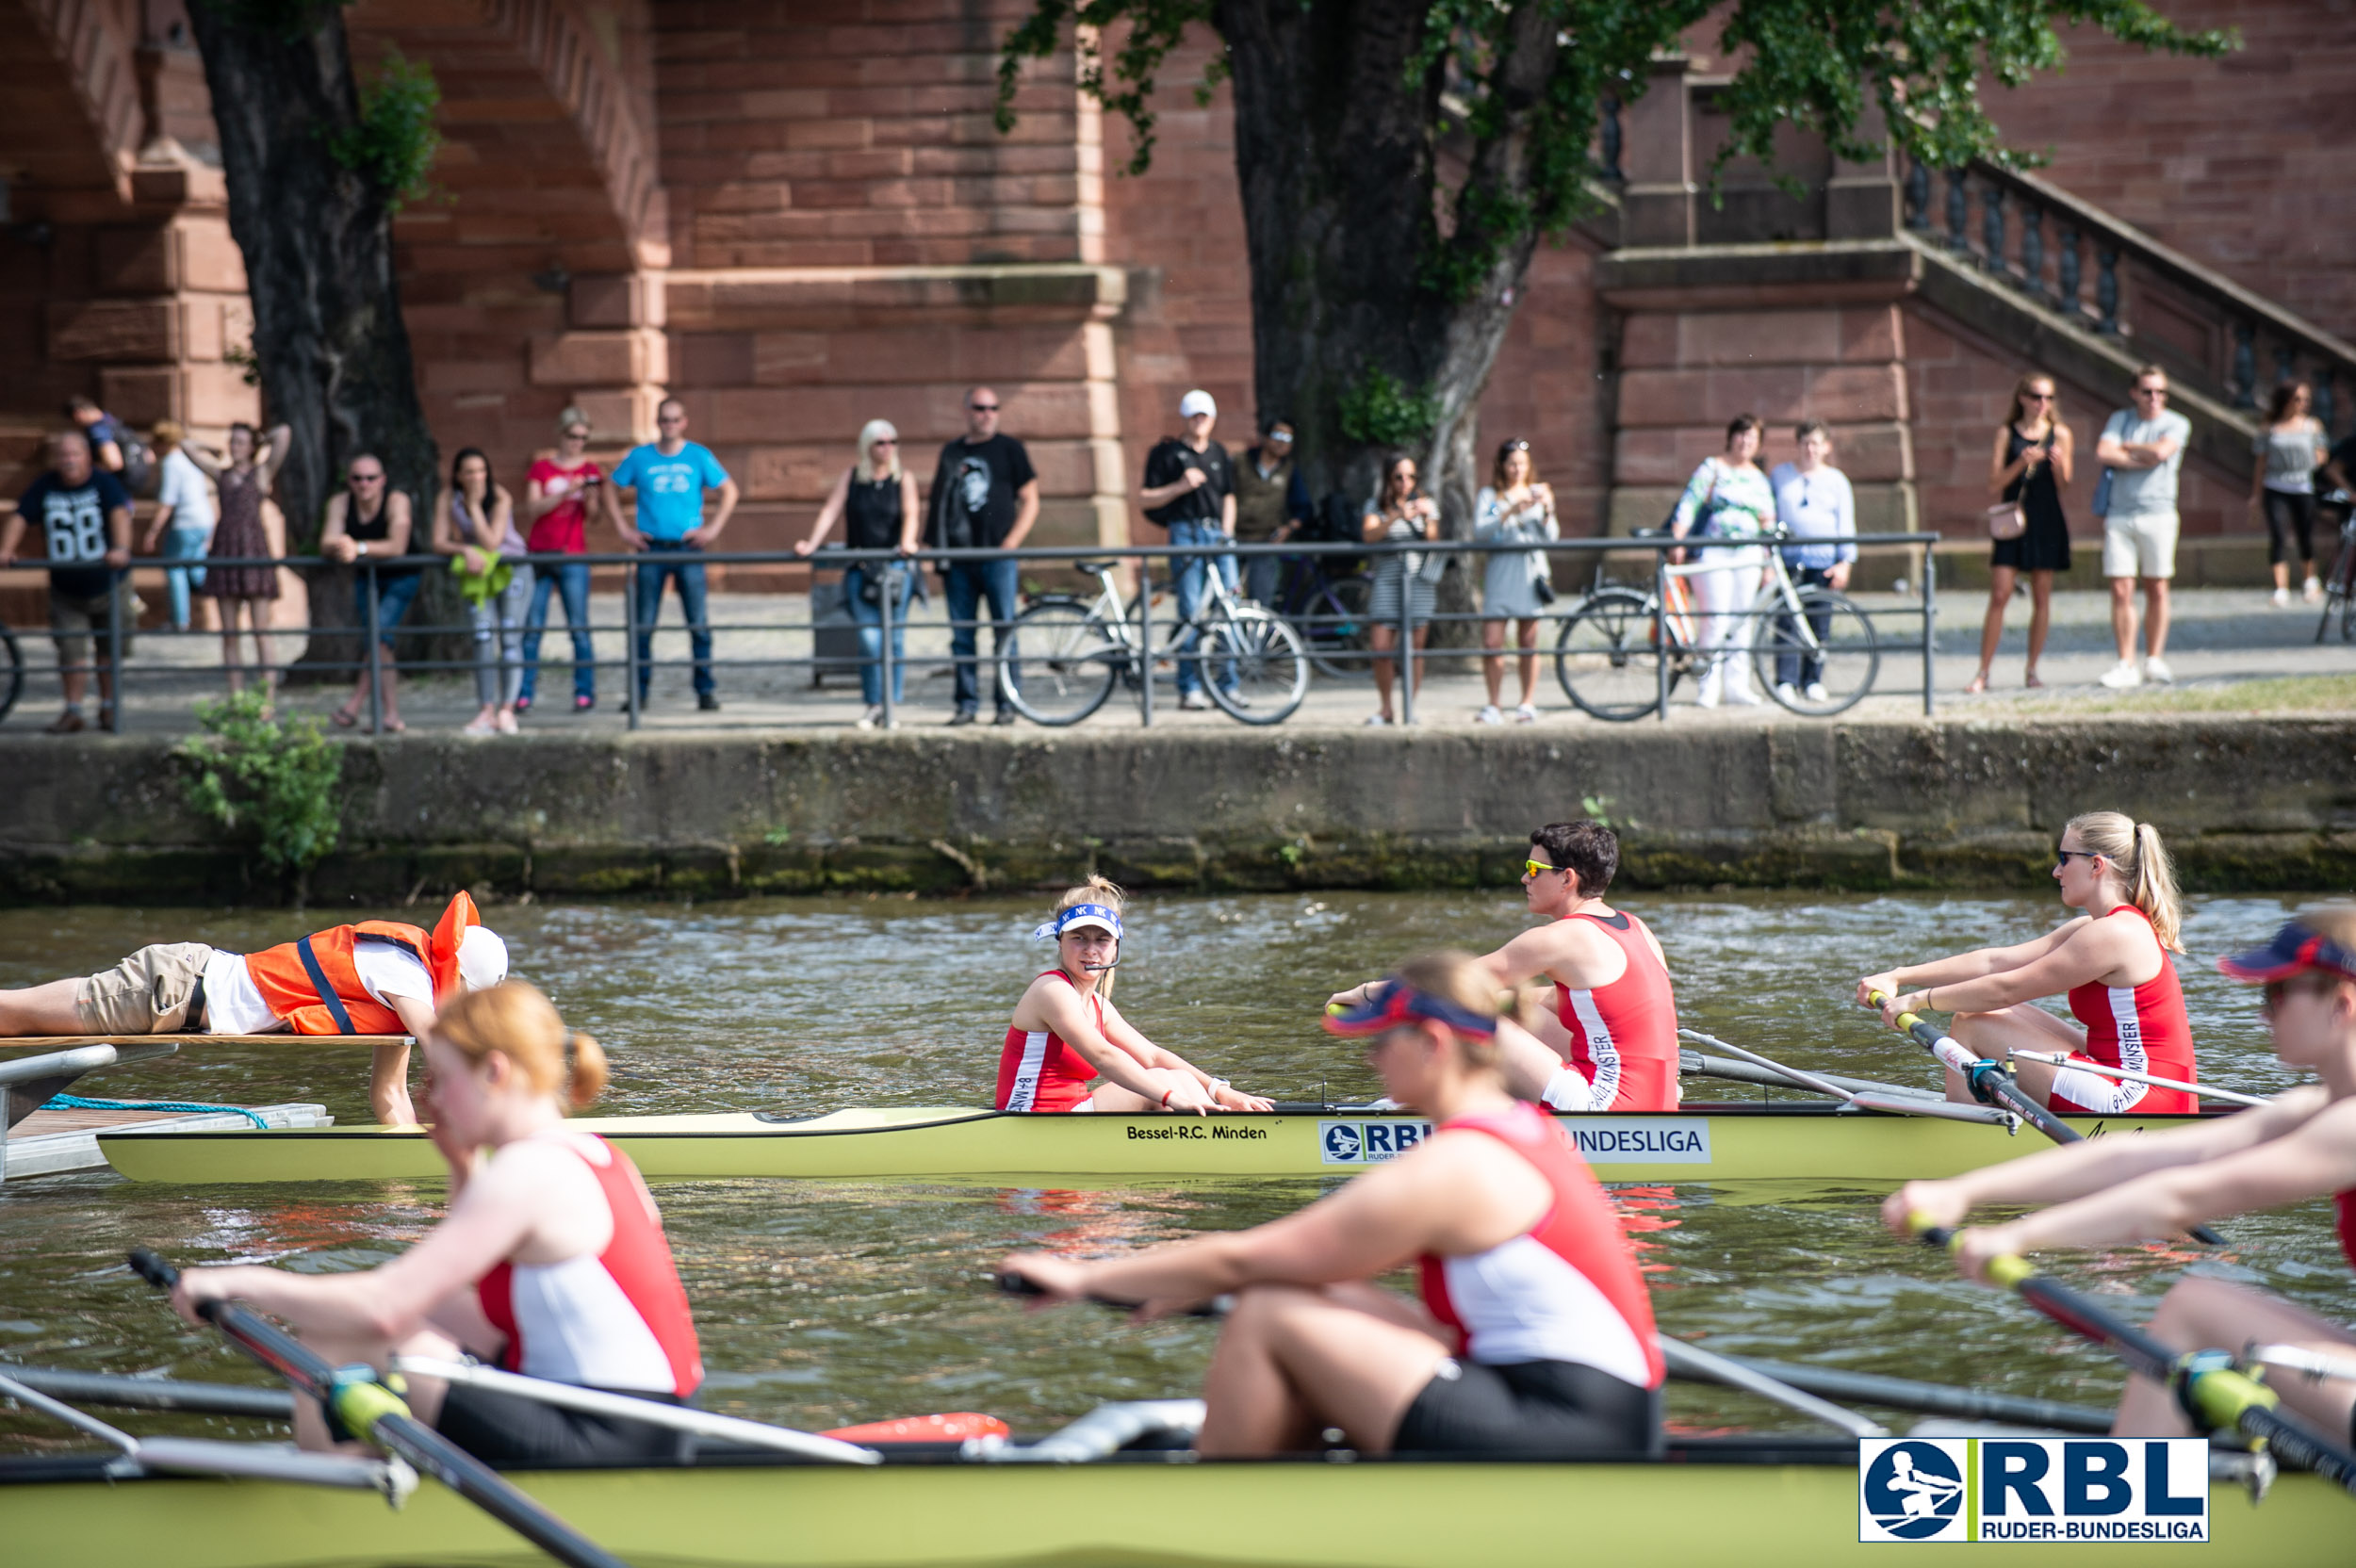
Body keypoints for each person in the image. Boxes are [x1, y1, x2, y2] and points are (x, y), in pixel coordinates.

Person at [1003, 952, 1664, 1459]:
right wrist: (1208, 1279)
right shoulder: (1523, 1128)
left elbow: (1247, 1254)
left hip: (1565, 1427)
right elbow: (1310, 1268)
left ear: (1432, 1045)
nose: (1372, 1060)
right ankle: (1274, 1462)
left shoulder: (1458, 1164)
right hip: (1579, 1404)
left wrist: (1084, 1277)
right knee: (1300, 1290)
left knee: (1265, 1312)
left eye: (1382, 1044)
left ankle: (1215, 1511)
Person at [168, 981, 703, 1466]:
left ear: (494, 1073)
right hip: (651, 1418)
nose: (434, 1101)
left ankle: (334, 1503)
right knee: (427, 1308)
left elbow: (384, 1309)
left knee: (335, 1334)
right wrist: (461, 1165)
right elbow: (478, 1290)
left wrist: (234, 1280)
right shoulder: (593, 1154)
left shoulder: (529, 1170)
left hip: (609, 1432)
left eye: (444, 1080)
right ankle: (363, 1457)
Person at [1886, 906, 2356, 1441]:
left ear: (2341, 1005)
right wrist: (1962, 1191)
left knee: (2193, 1304)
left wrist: (2017, 1235)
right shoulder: (2312, 1109)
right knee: (2199, 1303)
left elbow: (2178, 1198)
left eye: (2274, 996)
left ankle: (2131, 1496)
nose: (2262, 1014)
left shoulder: (2348, 1126)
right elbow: (2130, 1159)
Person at [0, 892, 507, 1128]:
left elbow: (390, 1093)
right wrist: (504, 1112)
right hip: (174, 987)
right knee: (13, 1016)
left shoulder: (405, 999)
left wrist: (410, 1178)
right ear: (458, 978)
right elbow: (443, 1055)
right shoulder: (404, 973)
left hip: (179, 998)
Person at [1857, 810, 2197, 1115]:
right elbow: (1997, 962)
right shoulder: (2098, 927)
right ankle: (1984, 1110)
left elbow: (2006, 988)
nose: (2056, 871)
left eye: (2065, 858)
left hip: (2140, 1098)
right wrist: (1898, 977)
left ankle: (1963, 1137)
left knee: (1972, 1023)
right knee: (1990, 1014)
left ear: (2097, 865)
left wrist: (1919, 1000)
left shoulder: (2115, 934)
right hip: (2130, 1079)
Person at [1332, 821, 1680, 1113]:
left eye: (1534, 869)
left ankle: (1413, 1110)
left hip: (1604, 1106)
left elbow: (1449, 983)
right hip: (1659, 1102)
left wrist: (1366, 993)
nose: (1524, 879)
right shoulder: (1637, 928)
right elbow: (1592, 1004)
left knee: (1468, 1010)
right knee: (1514, 1007)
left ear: (1567, 879)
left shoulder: (1559, 937)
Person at [999, 877, 1275, 1114]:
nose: (1091, 950)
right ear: (1060, 941)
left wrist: (1221, 1090)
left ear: (1116, 947)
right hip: (1031, 1116)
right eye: (1079, 938)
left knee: (1176, 1076)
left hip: (1070, 1112)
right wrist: (1172, 1099)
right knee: (1160, 1083)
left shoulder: (1099, 1006)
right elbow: (1103, 1056)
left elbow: (1153, 1056)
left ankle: (1219, 1127)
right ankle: (1221, 1140)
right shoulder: (1052, 990)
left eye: (1102, 940)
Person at [611, 399, 738, 713]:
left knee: (698, 624)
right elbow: (611, 488)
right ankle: (639, 694)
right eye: (664, 420)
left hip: (688, 548)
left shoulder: (697, 455)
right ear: (658, 422)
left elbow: (729, 491)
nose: (669, 426)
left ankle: (705, 690)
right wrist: (624, 531)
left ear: (684, 422)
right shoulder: (640, 457)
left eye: (675, 420)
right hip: (651, 548)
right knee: (643, 625)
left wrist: (712, 529)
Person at [0, 430, 132, 732]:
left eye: (74, 454)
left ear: (87, 457)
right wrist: (6, 550)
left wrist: (121, 549)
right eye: (63, 455)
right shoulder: (45, 486)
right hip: (66, 588)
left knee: (107, 648)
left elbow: (119, 513)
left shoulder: (104, 483)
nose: (69, 461)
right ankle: (73, 710)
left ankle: (108, 708)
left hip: (109, 584)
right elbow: (20, 516)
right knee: (70, 650)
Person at [795, 418, 922, 729]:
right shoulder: (852, 477)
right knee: (868, 639)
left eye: (892, 441)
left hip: (895, 569)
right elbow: (830, 510)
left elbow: (911, 513)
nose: (887, 447)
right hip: (860, 569)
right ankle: (874, 703)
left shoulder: (903, 478)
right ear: (867, 446)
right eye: (880, 442)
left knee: (894, 640)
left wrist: (907, 541)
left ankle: (891, 705)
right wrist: (811, 543)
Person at [924, 386, 1039, 726]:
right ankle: (966, 704)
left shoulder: (1010, 449)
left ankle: (1007, 704)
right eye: (979, 407)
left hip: (997, 557)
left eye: (993, 407)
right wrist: (937, 550)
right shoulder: (952, 452)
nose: (986, 413)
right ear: (966, 411)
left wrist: (1011, 543)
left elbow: (1031, 498)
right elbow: (940, 502)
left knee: (1005, 632)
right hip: (960, 559)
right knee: (962, 637)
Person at [1969, 377, 2072, 694]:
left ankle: (2032, 670)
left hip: (2046, 518)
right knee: (2000, 593)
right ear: (2023, 398)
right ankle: (1983, 672)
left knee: (2041, 596)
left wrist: (2055, 465)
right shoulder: (2007, 432)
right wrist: (2021, 463)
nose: (2043, 403)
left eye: (2049, 397)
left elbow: (2066, 484)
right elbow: (1993, 483)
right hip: (2012, 519)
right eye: (2037, 396)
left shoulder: (2061, 434)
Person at [1140, 389, 1240, 711]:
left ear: (1212, 419)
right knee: (1191, 610)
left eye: (1205, 416)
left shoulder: (1219, 452)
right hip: (1185, 531)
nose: (1200, 421)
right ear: (1186, 417)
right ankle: (1189, 687)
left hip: (1216, 533)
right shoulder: (1167, 453)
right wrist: (1179, 487)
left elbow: (1228, 495)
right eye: (1195, 416)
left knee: (1229, 606)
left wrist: (1227, 531)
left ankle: (1228, 684)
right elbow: (1145, 498)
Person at [1667, 414, 1775, 707]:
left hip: (1749, 553)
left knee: (1742, 620)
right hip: (1714, 550)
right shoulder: (1712, 467)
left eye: (1751, 438)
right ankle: (1708, 685)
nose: (1745, 442)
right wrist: (1677, 539)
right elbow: (1689, 503)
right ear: (1730, 437)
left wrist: (1768, 560)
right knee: (1714, 619)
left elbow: (1768, 518)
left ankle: (1737, 685)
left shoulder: (1758, 478)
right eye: (1741, 435)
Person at [2092, 366, 2190, 688]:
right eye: (2147, 391)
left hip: (2159, 513)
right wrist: (2142, 454)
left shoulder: (2177, 422)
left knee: (2157, 586)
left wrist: (2127, 448)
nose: (2154, 398)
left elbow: (2163, 452)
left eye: (2160, 392)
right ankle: (2125, 662)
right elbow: (2103, 452)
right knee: (2121, 589)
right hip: (2120, 513)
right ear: (2134, 392)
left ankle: (2154, 658)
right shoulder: (2120, 419)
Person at [434, 448, 532, 737]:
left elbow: (491, 542)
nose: (477, 477)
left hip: (512, 569)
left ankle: (507, 710)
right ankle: (486, 710)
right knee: (482, 635)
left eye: (481, 471)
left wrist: (474, 507)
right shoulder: (448, 497)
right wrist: (464, 548)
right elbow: (438, 541)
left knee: (511, 637)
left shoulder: (500, 496)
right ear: (458, 475)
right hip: (479, 572)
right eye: (469, 472)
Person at [319, 453, 417, 732]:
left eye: (371, 478)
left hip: (402, 576)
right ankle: (391, 715)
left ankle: (355, 705)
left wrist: (358, 548)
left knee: (378, 635)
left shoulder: (397, 501)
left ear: (382, 480)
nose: (364, 484)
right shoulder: (340, 503)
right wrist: (342, 545)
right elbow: (327, 540)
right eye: (358, 478)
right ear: (349, 481)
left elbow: (397, 545)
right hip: (367, 577)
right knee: (380, 641)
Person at [1767, 420, 1859, 704]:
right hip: (1789, 562)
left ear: (1826, 447)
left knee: (1819, 625)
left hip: (1824, 562)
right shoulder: (1780, 476)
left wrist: (1846, 562)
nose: (1810, 449)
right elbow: (1769, 516)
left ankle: (1812, 680)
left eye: (1816, 443)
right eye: (1805, 443)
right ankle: (1786, 681)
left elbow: (1846, 523)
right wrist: (1768, 559)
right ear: (1797, 445)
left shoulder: (1837, 481)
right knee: (1787, 623)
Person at [520, 407, 603, 714]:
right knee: (532, 629)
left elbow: (594, 518)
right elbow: (533, 509)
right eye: (572, 436)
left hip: (573, 554)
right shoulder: (542, 468)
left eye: (583, 438)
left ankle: (585, 692)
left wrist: (591, 497)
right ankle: (523, 692)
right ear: (561, 434)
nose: (577, 443)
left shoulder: (590, 469)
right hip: (540, 553)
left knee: (578, 627)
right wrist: (567, 491)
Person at [1472, 438, 1557, 725]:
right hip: (1499, 573)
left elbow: (1552, 537)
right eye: (1512, 463)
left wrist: (1547, 509)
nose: (1517, 469)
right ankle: (1494, 704)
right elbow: (1480, 531)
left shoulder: (1539, 493)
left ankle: (1527, 702)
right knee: (1492, 641)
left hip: (1529, 573)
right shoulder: (1489, 495)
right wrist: (1510, 510)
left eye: (1522, 463)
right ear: (1502, 465)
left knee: (1528, 641)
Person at [1362, 453, 1442, 727]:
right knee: (1381, 647)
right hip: (1387, 581)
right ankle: (1386, 708)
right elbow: (1369, 536)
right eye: (1399, 477)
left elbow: (1434, 539)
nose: (1405, 482)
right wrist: (1397, 516)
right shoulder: (1376, 505)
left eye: (1411, 477)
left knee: (1415, 648)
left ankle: (1410, 707)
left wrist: (1426, 515)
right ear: (1388, 478)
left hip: (1418, 582)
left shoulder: (1425, 502)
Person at [2250, 381, 2328, 608]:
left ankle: (2309, 580)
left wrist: (2311, 460)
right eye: (2298, 398)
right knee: (2278, 535)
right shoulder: (2270, 427)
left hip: (2302, 485)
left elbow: (2322, 455)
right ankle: (2280, 588)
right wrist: (2255, 495)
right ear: (2285, 400)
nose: (2303, 403)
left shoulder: (2312, 426)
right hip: (2276, 485)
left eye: (2306, 399)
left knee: (2305, 534)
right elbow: (2260, 463)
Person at [141, 420, 217, 635]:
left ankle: (179, 621)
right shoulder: (190, 459)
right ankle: (225, 592)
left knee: (175, 568)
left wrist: (153, 531)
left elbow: (168, 501)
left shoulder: (172, 463)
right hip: (204, 520)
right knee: (195, 569)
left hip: (185, 523)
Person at [1232, 418, 1312, 606]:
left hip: (1265, 541)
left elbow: (1304, 508)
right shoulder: (1239, 461)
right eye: (1277, 435)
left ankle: (1256, 635)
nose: (1282, 441)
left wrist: (1289, 528)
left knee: (1261, 601)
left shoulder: (1289, 470)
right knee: (1226, 601)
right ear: (1264, 437)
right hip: (1233, 540)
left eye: (1288, 437)